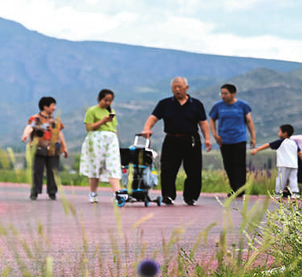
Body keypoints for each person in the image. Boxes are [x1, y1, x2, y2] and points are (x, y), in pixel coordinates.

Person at [141, 77, 212, 206]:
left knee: (194, 170)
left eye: (180, 87)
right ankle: (168, 196)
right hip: (171, 139)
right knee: (167, 169)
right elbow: (153, 117)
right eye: (174, 87)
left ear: (187, 88)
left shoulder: (196, 104)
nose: (177, 90)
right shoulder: (164, 103)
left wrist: (207, 138)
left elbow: (203, 122)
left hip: (191, 140)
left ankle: (191, 197)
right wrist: (147, 128)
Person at [209, 83, 256, 196]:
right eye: (221, 93)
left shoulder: (242, 105)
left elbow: (249, 121)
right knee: (228, 164)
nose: (223, 96)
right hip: (224, 140)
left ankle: (240, 189)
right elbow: (212, 119)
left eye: (225, 93)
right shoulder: (218, 106)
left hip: (239, 139)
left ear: (233, 93)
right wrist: (215, 135)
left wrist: (253, 137)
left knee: (239, 163)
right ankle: (234, 187)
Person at [79, 89, 124, 204]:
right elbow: (88, 127)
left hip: (110, 139)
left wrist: (115, 137)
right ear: (99, 99)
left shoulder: (111, 111)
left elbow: (113, 127)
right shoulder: (92, 110)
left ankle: (117, 193)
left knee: (113, 165)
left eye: (110, 100)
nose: (108, 103)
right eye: (105, 100)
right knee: (95, 166)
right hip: (96, 139)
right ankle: (93, 193)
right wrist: (103, 121)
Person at [22, 96, 69, 201]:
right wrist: (25, 135)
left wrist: (64, 147)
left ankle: (52, 192)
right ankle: (35, 191)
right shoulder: (35, 118)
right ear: (45, 106)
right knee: (37, 170)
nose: (54, 108)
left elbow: (59, 134)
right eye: (53, 105)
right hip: (39, 148)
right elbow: (29, 127)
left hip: (54, 149)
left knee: (54, 171)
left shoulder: (55, 120)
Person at [250, 124, 302, 198]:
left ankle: (278, 193)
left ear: (285, 133)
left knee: (281, 178)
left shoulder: (280, 142)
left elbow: (268, 145)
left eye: (279, 131)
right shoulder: (294, 142)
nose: (278, 133)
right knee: (293, 178)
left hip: (284, 164)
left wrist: (256, 150)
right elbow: (299, 152)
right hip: (294, 165)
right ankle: (294, 193)